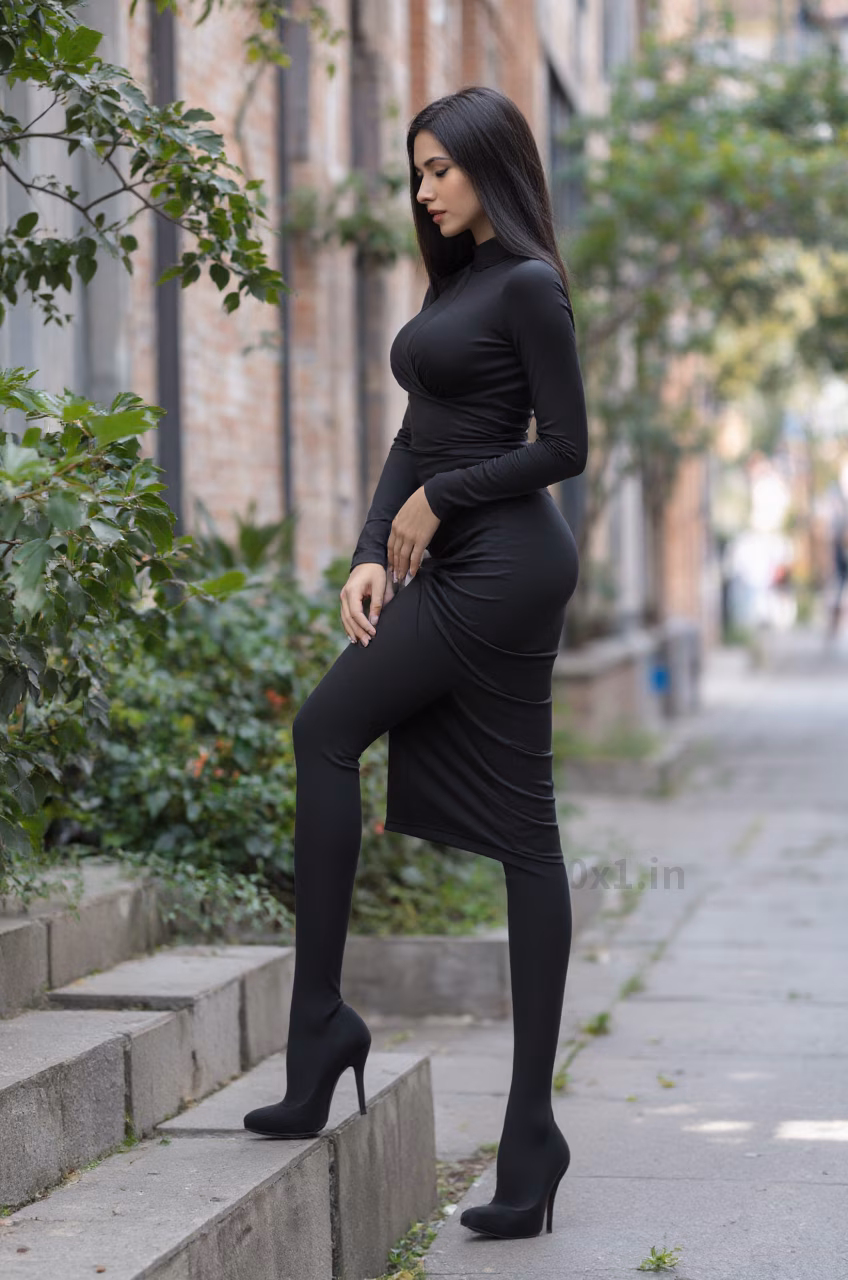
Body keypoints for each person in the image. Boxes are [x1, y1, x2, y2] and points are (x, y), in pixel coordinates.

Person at [243, 85, 588, 1242]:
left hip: (506, 566)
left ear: (491, 164)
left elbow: (565, 445)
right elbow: (414, 429)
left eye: (439, 168)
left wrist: (444, 499)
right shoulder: (458, 279)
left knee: (330, 732)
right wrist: (364, 550)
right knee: (353, 742)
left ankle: (334, 1038)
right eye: (415, 170)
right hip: (450, 560)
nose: (423, 188)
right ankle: (371, 1057)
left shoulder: (529, 283)